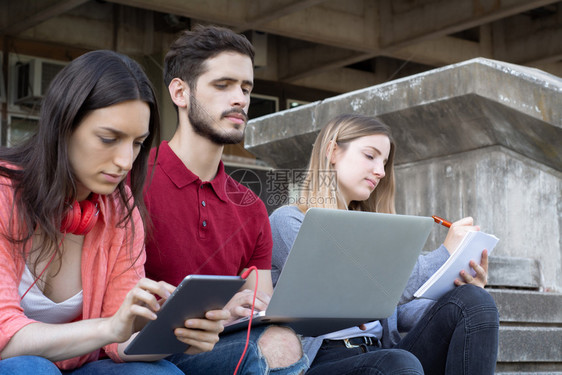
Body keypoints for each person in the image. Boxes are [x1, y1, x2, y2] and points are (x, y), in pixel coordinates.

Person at [0, 50, 228, 375]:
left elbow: (117, 344)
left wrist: (175, 336)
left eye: (137, 143)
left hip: (80, 367)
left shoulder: (121, 212)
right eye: (109, 138)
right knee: (30, 369)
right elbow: (4, 337)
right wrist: (108, 327)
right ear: (63, 126)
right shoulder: (5, 193)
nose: (125, 160)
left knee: (164, 373)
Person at [269, 114, 500, 375]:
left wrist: (457, 285)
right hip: (325, 361)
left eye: (384, 163)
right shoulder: (289, 221)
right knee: (397, 362)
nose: (380, 171)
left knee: (474, 300)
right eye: (370, 156)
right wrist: (444, 255)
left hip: (385, 352)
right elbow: (353, 296)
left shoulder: (373, 230)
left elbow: (401, 312)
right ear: (333, 151)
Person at [143, 25, 308, 374]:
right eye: (223, 85)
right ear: (180, 92)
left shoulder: (251, 206)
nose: (240, 99)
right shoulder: (132, 180)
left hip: (216, 346)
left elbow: (256, 308)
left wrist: (238, 310)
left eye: (246, 88)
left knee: (280, 340)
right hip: (138, 351)